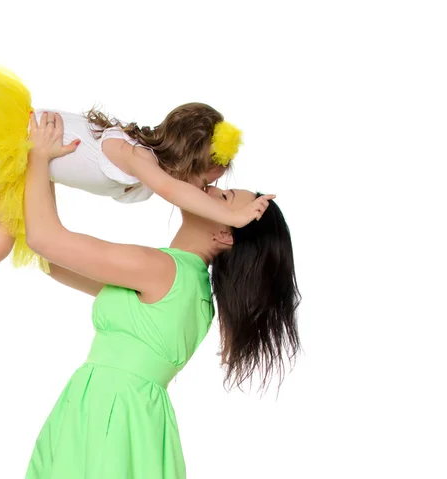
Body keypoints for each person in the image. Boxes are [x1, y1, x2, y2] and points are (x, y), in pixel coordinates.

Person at [0, 52, 252, 394]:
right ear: (187, 159)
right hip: (18, 136)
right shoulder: (136, 156)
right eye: (207, 182)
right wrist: (232, 215)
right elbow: (172, 189)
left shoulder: (144, 179)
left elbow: (55, 261)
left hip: (29, 153)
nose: (206, 192)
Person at [23, 111, 301, 478]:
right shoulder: (191, 288)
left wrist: (40, 158)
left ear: (225, 234)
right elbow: (56, 263)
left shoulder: (163, 271)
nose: (211, 190)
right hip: (121, 411)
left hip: (110, 412)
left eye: (225, 196)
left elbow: (44, 240)